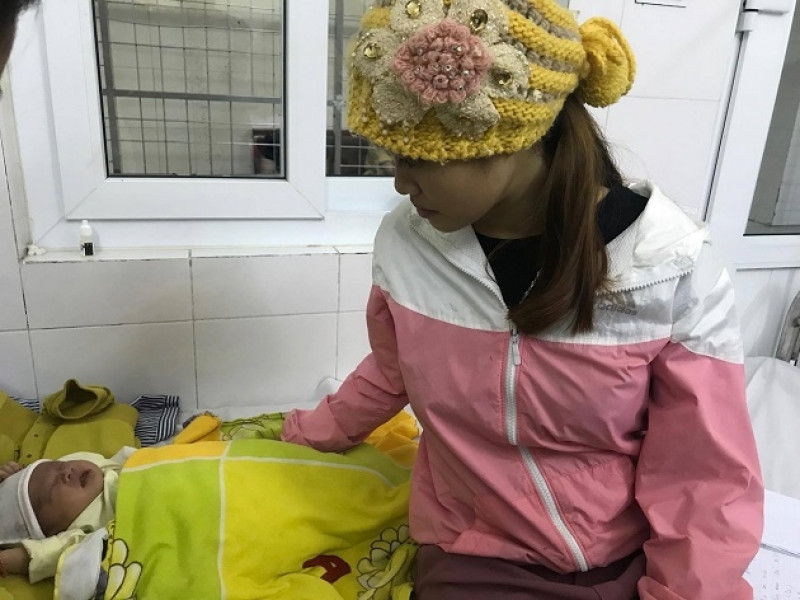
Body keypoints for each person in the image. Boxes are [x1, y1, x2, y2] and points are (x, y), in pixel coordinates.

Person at [281, 1, 764, 599]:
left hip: (631, 553)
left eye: (417, 159)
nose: (401, 184)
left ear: (508, 138)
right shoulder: (408, 243)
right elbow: (390, 369)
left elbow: (702, 472)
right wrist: (306, 434)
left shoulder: (667, 266)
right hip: (475, 550)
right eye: (392, 158)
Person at [0, 448, 133, 583]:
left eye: (58, 465)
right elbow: (55, 553)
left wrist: (16, 476)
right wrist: (11, 560)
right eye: (52, 488)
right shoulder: (86, 530)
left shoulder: (103, 468)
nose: (66, 472)